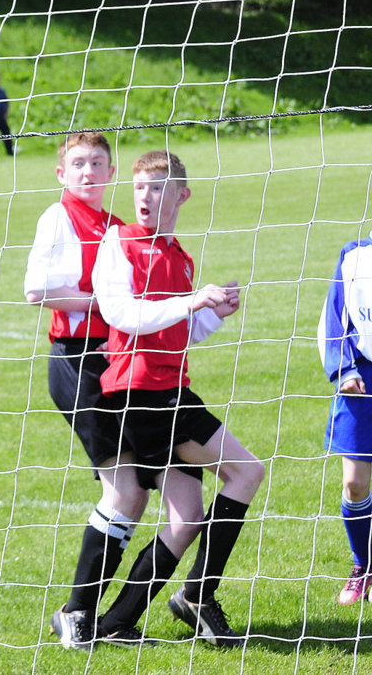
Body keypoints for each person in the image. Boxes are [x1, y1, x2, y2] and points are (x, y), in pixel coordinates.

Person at [91, 150, 265, 647]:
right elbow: (122, 315)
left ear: (181, 196)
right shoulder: (119, 241)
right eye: (138, 187)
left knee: (186, 517)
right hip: (142, 394)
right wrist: (191, 301)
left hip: (169, 391)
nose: (144, 197)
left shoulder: (179, 257)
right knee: (247, 472)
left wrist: (212, 313)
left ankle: (116, 622)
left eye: (157, 188)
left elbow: (178, 330)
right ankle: (197, 595)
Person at [24, 133, 149, 650]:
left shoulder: (115, 226)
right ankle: (75, 614)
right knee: (123, 490)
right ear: (62, 173)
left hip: (112, 361)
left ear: (111, 171)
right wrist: (104, 302)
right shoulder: (59, 218)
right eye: (78, 163)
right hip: (78, 363)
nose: (88, 171)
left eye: (97, 162)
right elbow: (36, 290)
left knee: (135, 493)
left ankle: (96, 616)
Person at [318, 227, 372, 604]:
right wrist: (343, 370)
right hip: (361, 377)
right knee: (354, 482)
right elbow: (333, 319)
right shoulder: (354, 256)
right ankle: (363, 567)